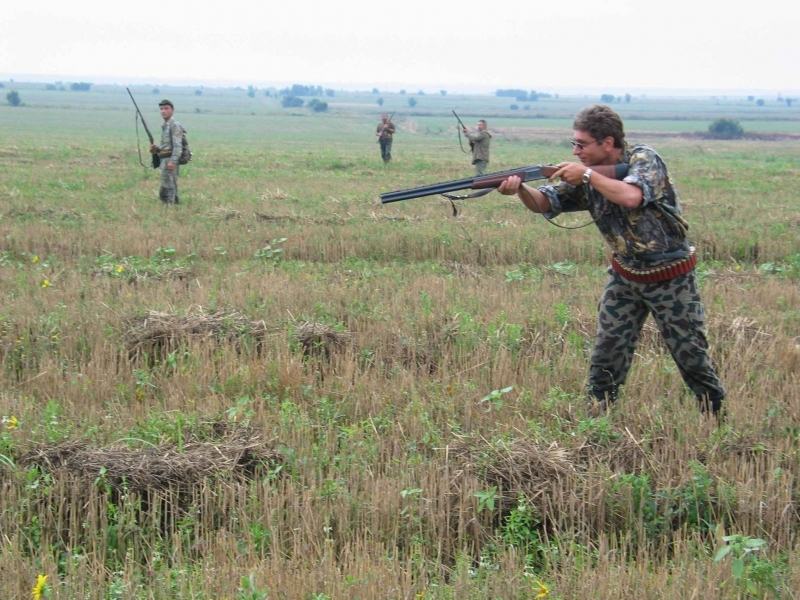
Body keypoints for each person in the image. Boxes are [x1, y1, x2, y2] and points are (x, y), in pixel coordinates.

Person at [498, 105, 725, 418]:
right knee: (607, 354)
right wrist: (519, 187)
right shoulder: (584, 176)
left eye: (582, 144)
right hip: (626, 277)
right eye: (573, 144)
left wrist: (589, 176)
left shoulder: (644, 159)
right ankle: (595, 424)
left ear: (607, 143)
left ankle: (716, 420)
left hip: (670, 276)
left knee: (691, 356)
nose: (575, 151)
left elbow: (631, 196)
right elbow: (545, 202)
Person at [149, 99, 183, 204]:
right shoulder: (165, 126)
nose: (163, 111)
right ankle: (171, 208)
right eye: (161, 109)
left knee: (169, 187)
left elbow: (177, 146)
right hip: (164, 159)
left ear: (172, 111)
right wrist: (157, 149)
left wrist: (173, 161)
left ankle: (170, 209)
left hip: (169, 160)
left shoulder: (174, 125)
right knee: (166, 185)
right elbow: (167, 147)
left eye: (166, 108)